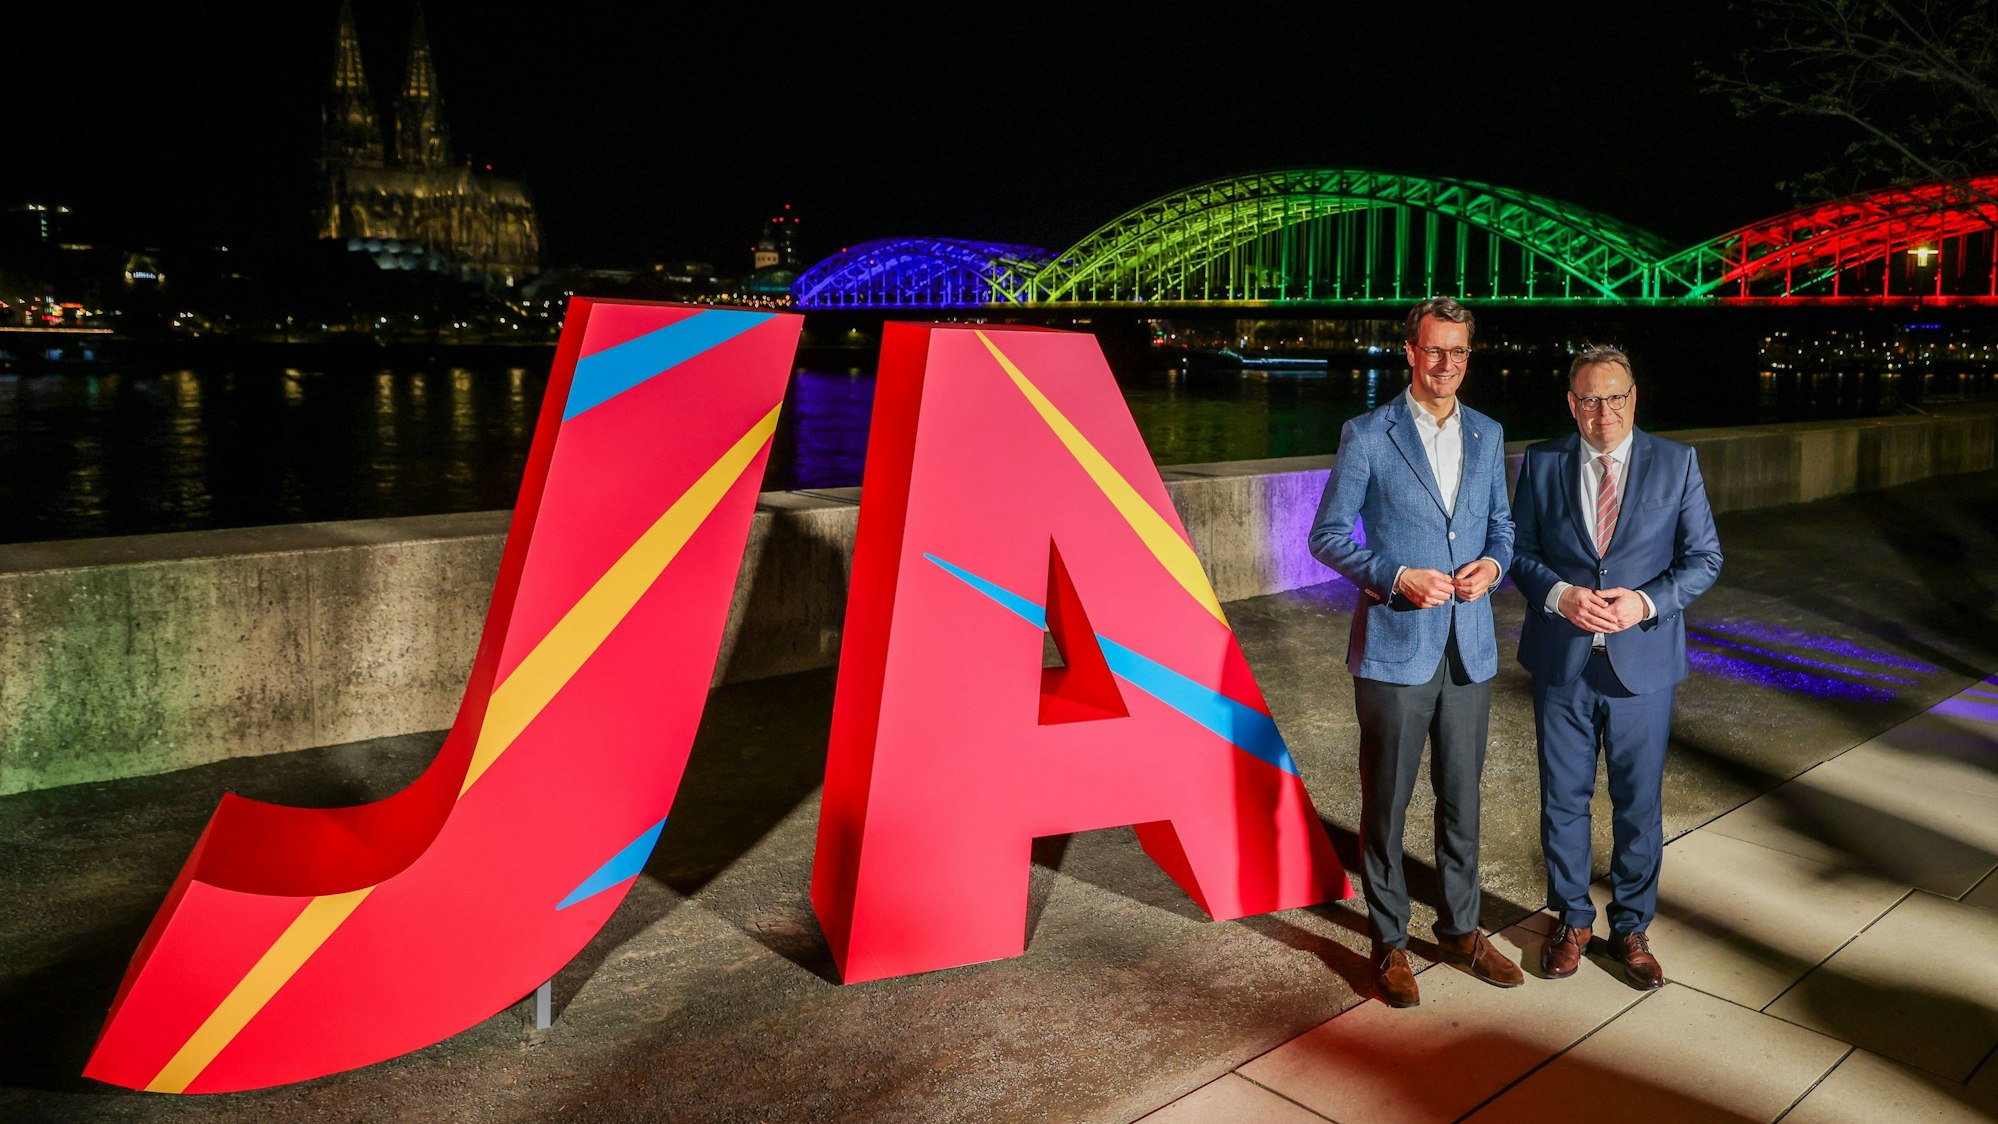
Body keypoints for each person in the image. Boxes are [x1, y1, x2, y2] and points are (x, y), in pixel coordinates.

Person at [1308, 296, 1521, 1008]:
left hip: (1470, 649)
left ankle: (1461, 929)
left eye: (1458, 352)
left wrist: (1493, 567)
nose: (1445, 365)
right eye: (1434, 351)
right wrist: (1394, 576)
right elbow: (1329, 536)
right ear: (1409, 351)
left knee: (1462, 800)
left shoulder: (1489, 434)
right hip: (1397, 647)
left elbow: (1501, 529)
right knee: (1388, 803)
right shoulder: (1368, 434)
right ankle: (1390, 940)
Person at [1509, 345, 1721, 989]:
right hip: (1562, 661)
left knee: (1637, 804)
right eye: (1590, 399)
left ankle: (1630, 926)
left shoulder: (1676, 462)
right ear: (1572, 404)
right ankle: (1571, 919)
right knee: (1563, 800)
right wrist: (1558, 594)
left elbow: (1704, 558)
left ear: (1635, 398)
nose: (1605, 411)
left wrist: (1646, 601)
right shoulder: (1542, 462)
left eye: (1616, 397)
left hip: (1643, 665)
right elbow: (1517, 551)